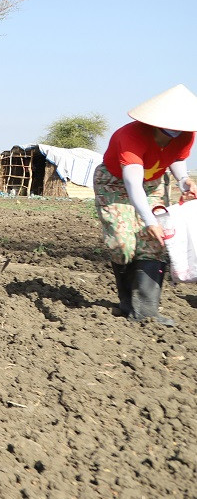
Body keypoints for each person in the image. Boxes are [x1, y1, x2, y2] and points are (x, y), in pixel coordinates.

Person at [94, 85, 197, 325]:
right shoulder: (130, 137)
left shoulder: (186, 134)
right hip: (115, 185)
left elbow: (177, 159)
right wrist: (149, 221)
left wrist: (184, 181)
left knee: (154, 242)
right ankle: (126, 302)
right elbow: (132, 184)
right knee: (123, 243)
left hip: (152, 186)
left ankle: (146, 311)